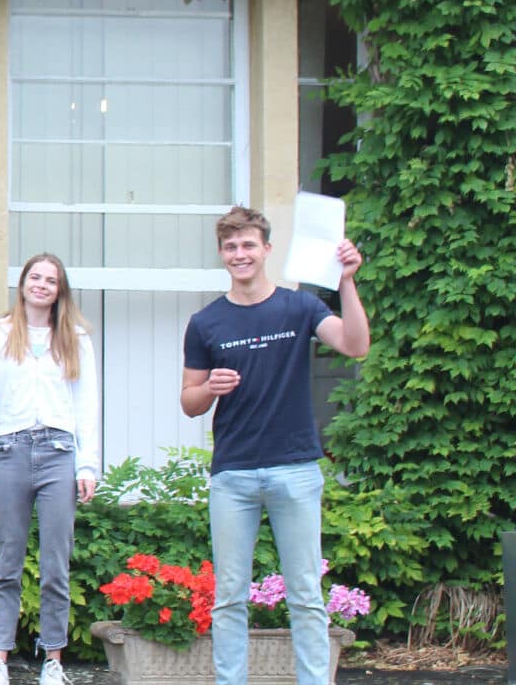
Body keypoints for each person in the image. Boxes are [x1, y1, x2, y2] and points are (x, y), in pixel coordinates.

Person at [181, 206, 367, 685]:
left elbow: (354, 344)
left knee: (305, 594)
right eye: (230, 247)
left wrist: (346, 281)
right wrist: (210, 389)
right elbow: (189, 401)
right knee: (229, 598)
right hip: (234, 474)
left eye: (248, 245)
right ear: (221, 254)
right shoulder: (205, 322)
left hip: (296, 469)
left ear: (266, 250)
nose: (239, 254)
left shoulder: (299, 307)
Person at [0, 254, 100, 685]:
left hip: (60, 453)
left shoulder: (76, 338)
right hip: (11, 450)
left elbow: (88, 407)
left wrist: (89, 466)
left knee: (55, 564)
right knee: (7, 560)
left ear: (60, 289)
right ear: (22, 282)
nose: (42, 285)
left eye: (51, 279)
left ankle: (53, 661)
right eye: (35, 277)